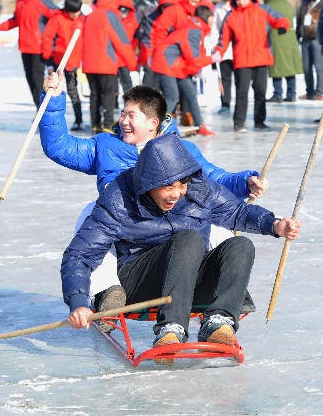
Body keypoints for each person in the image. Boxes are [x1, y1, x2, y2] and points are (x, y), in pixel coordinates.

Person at [63, 132, 301, 364]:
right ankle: (170, 328)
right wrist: (79, 301)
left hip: (187, 277)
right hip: (141, 282)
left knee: (240, 245)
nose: (176, 194)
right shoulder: (119, 198)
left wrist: (275, 224)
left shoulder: (198, 187)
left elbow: (236, 212)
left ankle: (219, 322)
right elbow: (80, 254)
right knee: (189, 239)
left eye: (181, 185)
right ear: (148, 184)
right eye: (167, 187)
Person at [39, 79, 267, 320]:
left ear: (153, 123)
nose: (123, 122)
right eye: (123, 114)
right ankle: (107, 291)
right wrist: (53, 99)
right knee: (91, 215)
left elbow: (213, 180)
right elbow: (59, 147)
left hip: (178, 227)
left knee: (214, 221)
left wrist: (245, 182)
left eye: (131, 116)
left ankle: (223, 289)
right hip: (129, 229)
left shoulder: (177, 150)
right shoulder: (106, 146)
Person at [214, 0, 289, 132]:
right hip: (242, 60)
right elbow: (224, 39)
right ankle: (239, 122)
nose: (240, 1)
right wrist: (218, 54)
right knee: (242, 93)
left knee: (261, 91)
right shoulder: (231, 16)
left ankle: (259, 121)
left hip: (261, 58)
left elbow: (278, 17)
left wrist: (282, 25)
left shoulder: (262, 10)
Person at [0, 0, 59, 109]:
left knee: (37, 79)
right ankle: (38, 107)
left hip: (39, 46)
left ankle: (44, 108)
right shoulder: (20, 0)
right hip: (25, 46)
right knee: (30, 79)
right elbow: (16, 20)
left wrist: (49, 38)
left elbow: (56, 16)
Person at [151, 5, 220, 136]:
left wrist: (196, 67)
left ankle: (200, 125)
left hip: (177, 65)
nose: (213, 20)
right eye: (212, 17)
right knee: (172, 96)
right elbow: (194, 58)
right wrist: (212, 58)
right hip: (166, 63)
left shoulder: (195, 28)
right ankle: (156, 125)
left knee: (190, 94)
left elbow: (189, 56)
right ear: (207, 17)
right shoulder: (194, 31)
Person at [82, 0, 137, 134]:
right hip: (105, 63)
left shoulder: (90, 15)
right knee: (108, 95)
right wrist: (132, 63)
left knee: (94, 95)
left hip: (89, 63)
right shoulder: (110, 16)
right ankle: (107, 125)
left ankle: (95, 124)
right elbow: (121, 41)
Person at [41, 0, 85, 132]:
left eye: (77, 12)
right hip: (58, 60)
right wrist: (48, 58)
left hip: (73, 61)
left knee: (73, 90)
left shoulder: (83, 20)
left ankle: (79, 120)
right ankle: (49, 120)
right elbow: (47, 38)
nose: (75, 15)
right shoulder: (57, 19)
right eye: (73, 13)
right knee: (52, 89)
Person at [259, 0, 303, 103]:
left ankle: (277, 94)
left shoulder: (268, 6)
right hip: (290, 41)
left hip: (275, 40)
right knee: (289, 68)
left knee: (277, 68)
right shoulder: (287, 4)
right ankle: (291, 93)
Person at [137, 0, 182, 90]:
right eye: (164, 7)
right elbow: (148, 39)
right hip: (156, 54)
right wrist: (149, 57)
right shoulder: (153, 18)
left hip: (174, 56)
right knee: (151, 83)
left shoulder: (179, 17)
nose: (167, 10)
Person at [296, 0, 323, 101]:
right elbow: (299, 19)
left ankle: (319, 91)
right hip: (306, 38)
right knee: (306, 67)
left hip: (317, 39)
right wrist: (298, 33)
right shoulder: (305, 2)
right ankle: (309, 91)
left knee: (319, 67)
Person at [213, 0, 239, 115]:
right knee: (225, 78)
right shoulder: (219, 8)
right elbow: (215, 28)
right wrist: (214, 44)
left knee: (240, 79)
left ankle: (240, 104)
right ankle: (225, 103)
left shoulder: (240, 8)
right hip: (224, 49)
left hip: (239, 49)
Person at [117, 0, 139, 103]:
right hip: (114, 55)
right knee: (111, 84)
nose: (123, 10)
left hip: (125, 55)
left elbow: (136, 36)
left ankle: (130, 102)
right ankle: (113, 104)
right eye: (121, 8)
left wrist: (131, 50)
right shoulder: (114, 17)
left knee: (126, 81)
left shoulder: (133, 19)